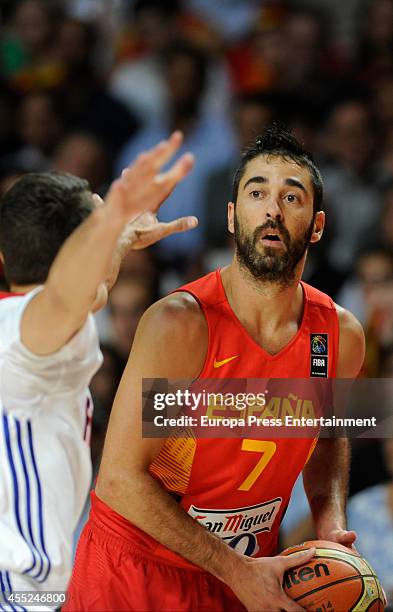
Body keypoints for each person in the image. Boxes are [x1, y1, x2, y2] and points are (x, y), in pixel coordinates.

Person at [66, 125, 365, 612]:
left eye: (292, 197)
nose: (272, 209)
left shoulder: (343, 335)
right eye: (256, 192)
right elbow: (119, 480)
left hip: (250, 575)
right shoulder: (178, 324)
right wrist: (236, 570)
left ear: (317, 226)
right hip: (139, 571)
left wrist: (330, 523)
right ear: (232, 216)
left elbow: (331, 433)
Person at [0, 131, 197, 609]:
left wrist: (120, 232)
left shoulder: (29, 315)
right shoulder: (26, 331)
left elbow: (88, 292)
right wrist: (110, 220)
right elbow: (68, 298)